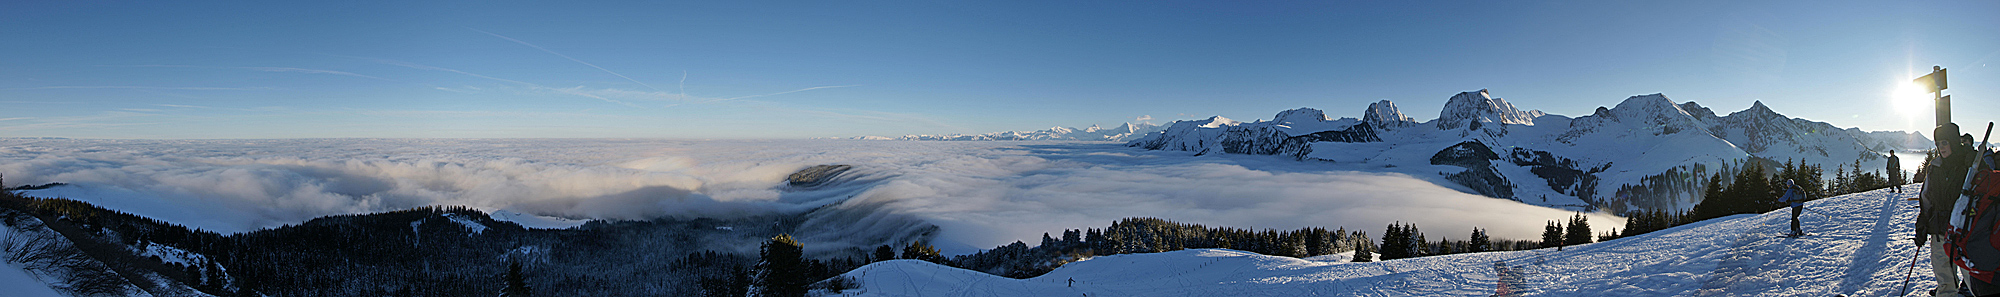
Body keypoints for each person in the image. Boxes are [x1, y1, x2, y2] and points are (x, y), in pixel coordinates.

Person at [1920, 123, 1978, 296]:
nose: (1941, 147)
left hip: (1966, 231)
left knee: (1974, 277)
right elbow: (1926, 198)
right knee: (1944, 278)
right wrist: (1922, 223)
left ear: (1953, 141)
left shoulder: (1971, 164)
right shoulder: (1935, 167)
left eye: (1944, 142)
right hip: (1940, 231)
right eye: (1938, 143)